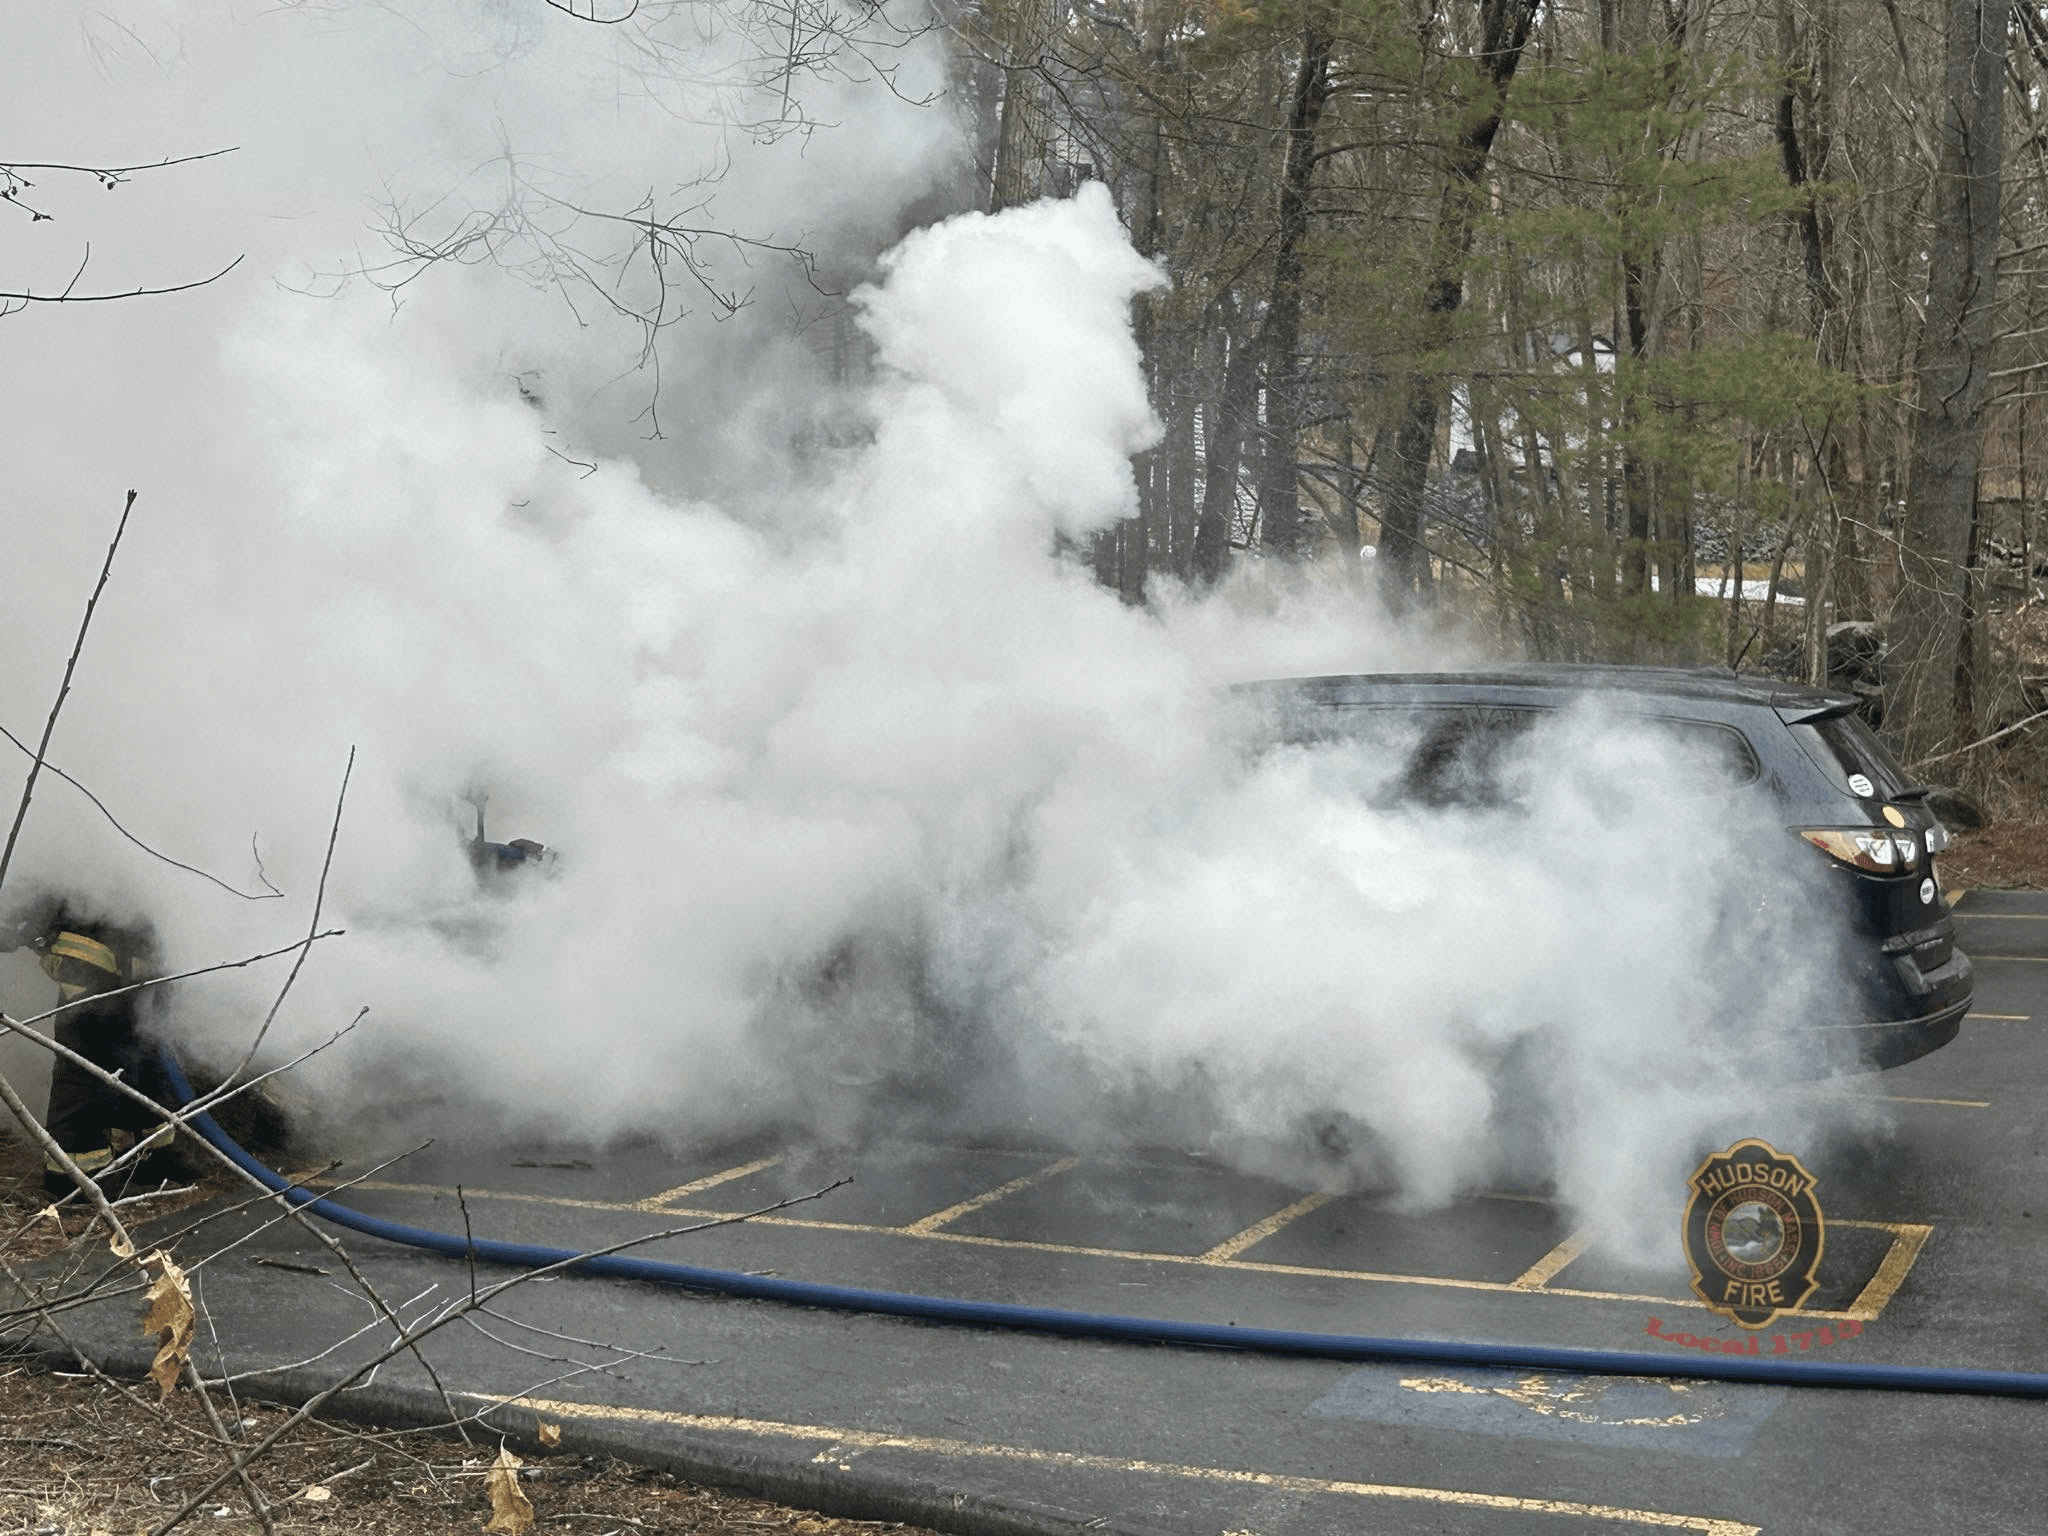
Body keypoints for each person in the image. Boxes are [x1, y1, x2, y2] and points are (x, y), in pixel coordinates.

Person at [0, 893, 178, 1198]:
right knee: (84, 1061)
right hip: (88, 948)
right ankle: (73, 1176)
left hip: (138, 947)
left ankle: (148, 1157)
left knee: (143, 1054)